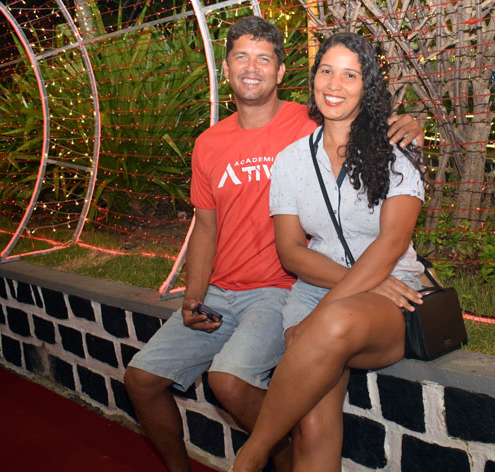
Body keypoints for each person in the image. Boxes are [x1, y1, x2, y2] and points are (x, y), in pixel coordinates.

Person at [123, 16, 424, 472]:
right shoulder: (229, 146)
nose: (252, 68)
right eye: (241, 57)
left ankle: (255, 454)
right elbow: (207, 227)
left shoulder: (310, 120)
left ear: (282, 72)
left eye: (264, 58)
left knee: (233, 381)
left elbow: (361, 119)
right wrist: (194, 294)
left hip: (282, 292)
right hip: (261, 289)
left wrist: (408, 123)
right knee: (142, 379)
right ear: (225, 67)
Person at [231, 32, 426, 472]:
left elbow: (392, 244)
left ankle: (252, 453)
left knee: (331, 323)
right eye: (326, 71)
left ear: (367, 86)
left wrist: (331, 308)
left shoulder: (397, 149)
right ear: (313, 78)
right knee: (313, 427)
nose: (335, 84)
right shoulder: (291, 160)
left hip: (389, 296)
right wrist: (355, 286)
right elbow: (290, 252)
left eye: (350, 75)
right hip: (318, 291)